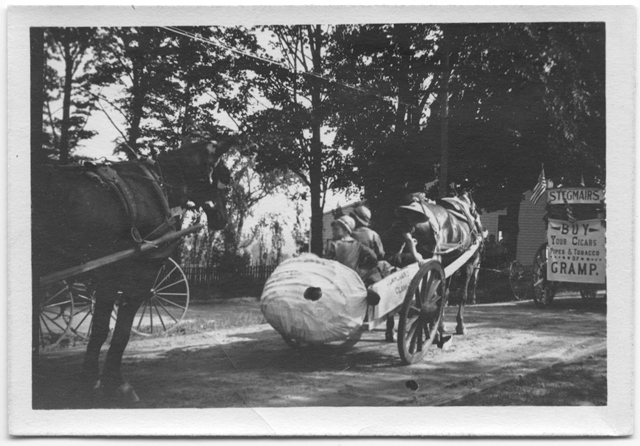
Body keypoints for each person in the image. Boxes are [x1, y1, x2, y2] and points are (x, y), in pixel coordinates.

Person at [325, 215, 379, 284]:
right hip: (353, 279)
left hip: (339, 280)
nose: (333, 232)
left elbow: (326, 264)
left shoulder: (334, 245)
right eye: (333, 230)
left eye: (336, 229)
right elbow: (373, 257)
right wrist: (363, 268)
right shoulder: (358, 245)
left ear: (346, 230)